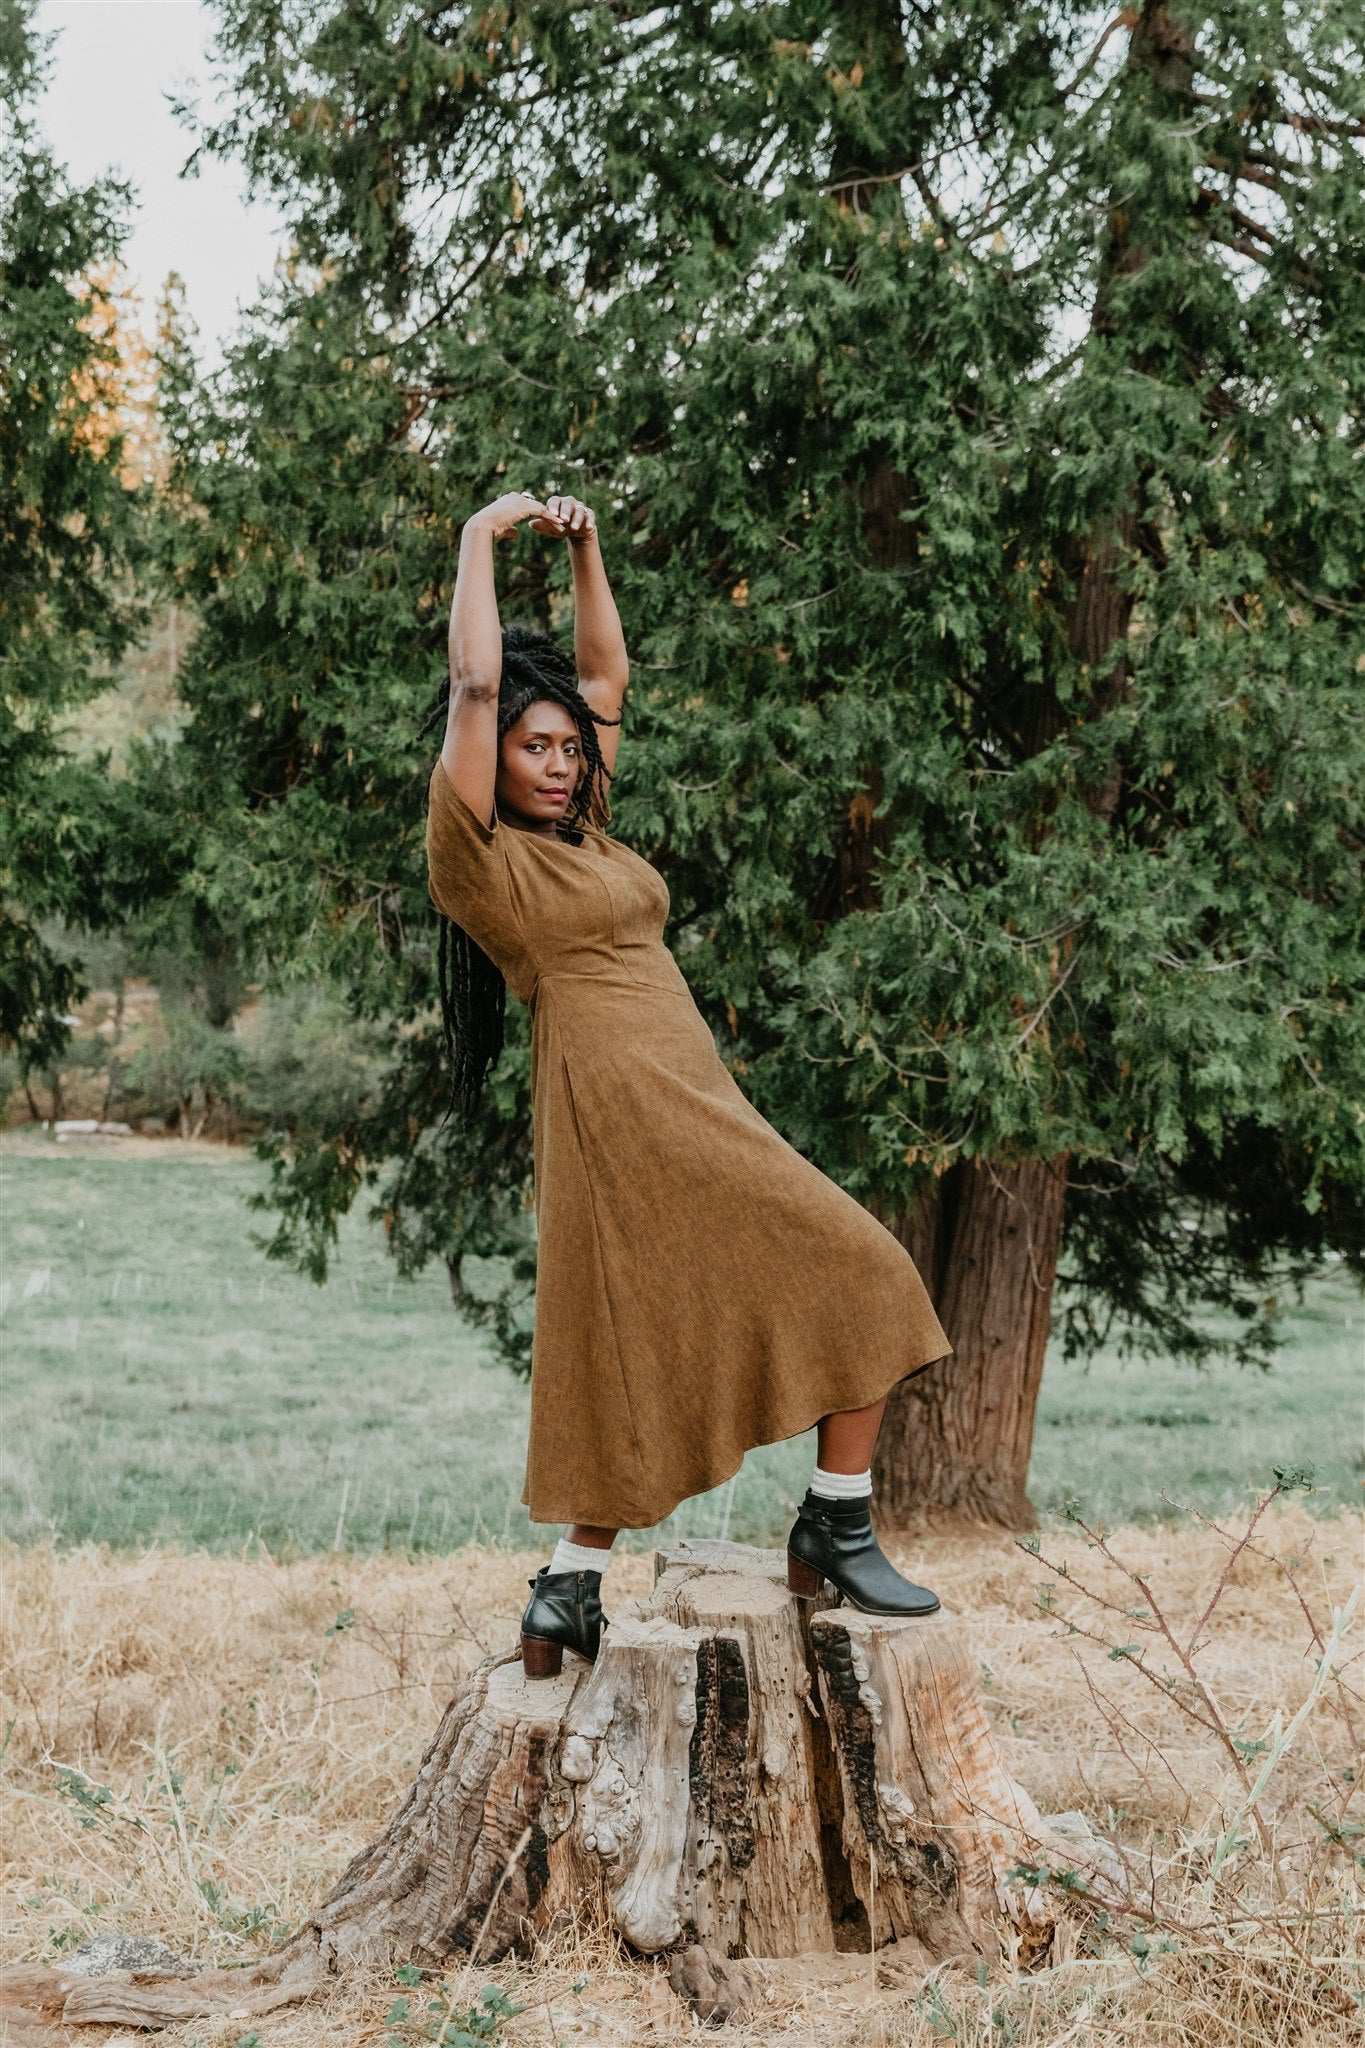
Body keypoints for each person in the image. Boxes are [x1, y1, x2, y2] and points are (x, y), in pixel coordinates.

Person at [423, 489, 954, 1680]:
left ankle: (570, 1583)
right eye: (534, 746)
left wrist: (588, 546)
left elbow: (606, 676)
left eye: (569, 748)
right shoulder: (482, 858)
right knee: (852, 1267)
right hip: (621, 1109)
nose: (560, 762)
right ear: (489, 755)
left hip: (692, 1096)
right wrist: (480, 537)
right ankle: (836, 1524)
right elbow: (473, 681)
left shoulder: (587, 833)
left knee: (650, 1327)